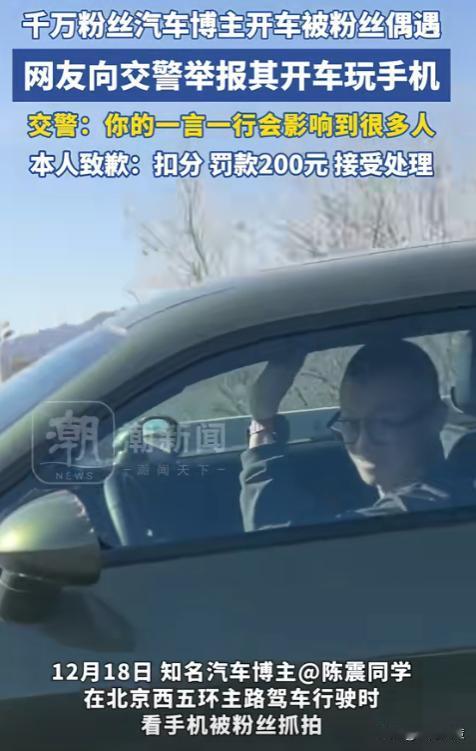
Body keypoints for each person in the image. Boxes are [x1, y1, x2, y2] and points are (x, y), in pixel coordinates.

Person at [240, 339, 475, 531]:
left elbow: (281, 541)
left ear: (435, 419)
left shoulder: (429, 511)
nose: (363, 445)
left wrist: (262, 423)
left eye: (384, 423)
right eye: (351, 424)